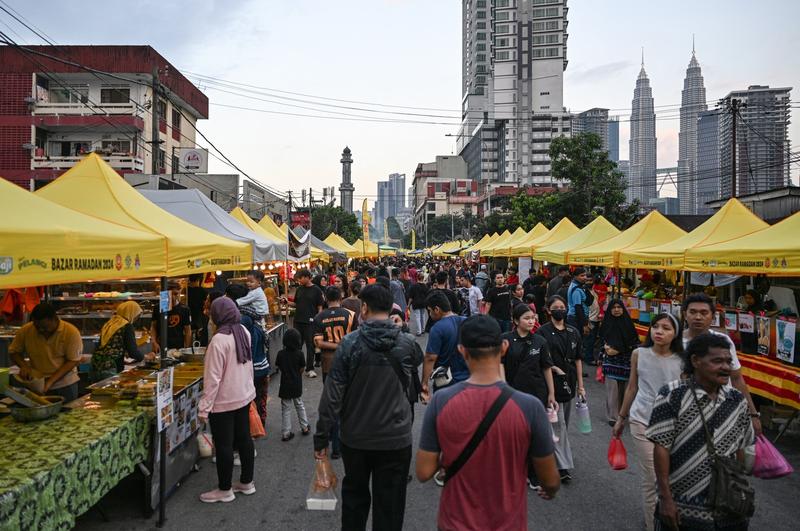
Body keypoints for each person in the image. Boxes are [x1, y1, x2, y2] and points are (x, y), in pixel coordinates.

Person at [416, 314, 559, 530]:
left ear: (461, 350)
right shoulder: (530, 407)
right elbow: (550, 479)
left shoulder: (441, 401)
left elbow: (424, 471)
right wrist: (549, 489)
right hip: (508, 522)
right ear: (503, 347)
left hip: (455, 521)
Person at [314, 284, 423, 531]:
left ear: (364, 308)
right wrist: (402, 327)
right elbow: (417, 358)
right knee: (391, 505)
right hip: (395, 438)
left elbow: (332, 396)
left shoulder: (350, 345)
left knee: (354, 499)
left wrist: (321, 437)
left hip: (356, 438)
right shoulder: (405, 342)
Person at [648, 333, 755, 531]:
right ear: (696, 361)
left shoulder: (737, 400)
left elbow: (740, 450)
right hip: (683, 509)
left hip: (729, 509)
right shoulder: (672, 395)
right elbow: (661, 448)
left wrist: (738, 488)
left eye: (728, 361)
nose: (725, 367)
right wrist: (665, 498)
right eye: (717, 361)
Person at [612, 313, 683, 531]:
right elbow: (632, 387)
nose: (659, 331)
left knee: (672, 475)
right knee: (652, 476)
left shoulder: (682, 360)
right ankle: (653, 524)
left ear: (676, 334)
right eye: (655, 326)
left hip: (673, 424)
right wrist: (621, 418)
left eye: (666, 328)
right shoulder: (638, 354)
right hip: (641, 420)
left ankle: (668, 516)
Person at [198, 297, 256, 503]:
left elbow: (212, 380)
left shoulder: (219, 341)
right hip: (243, 395)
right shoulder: (244, 331)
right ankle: (247, 482)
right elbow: (248, 365)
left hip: (224, 401)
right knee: (244, 438)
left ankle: (225, 489)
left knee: (223, 445)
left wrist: (204, 409)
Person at [682, 293, 761, 436]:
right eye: (693, 312)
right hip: (687, 415)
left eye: (704, 312)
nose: (698, 317)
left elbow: (736, 379)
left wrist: (752, 414)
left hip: (724, 410)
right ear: (685, 314)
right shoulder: (675, 343)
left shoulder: (723, 340)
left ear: (713, 317)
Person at [535, 295, 584, 482]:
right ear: (548, 310)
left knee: (563, 422)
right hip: (551, 383)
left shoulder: (573, 331)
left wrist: (581, 385)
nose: (560, 310)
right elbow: (540, 361)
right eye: (556, 307)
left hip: (569, 381)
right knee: (559, 425)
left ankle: (547, 454)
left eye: (562, 307)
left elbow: (578, 358)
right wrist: (553, 369)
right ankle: (561, 465)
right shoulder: (542, 332)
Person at [312, 286, 355, 458]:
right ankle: (346, 441)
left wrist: (334, 346)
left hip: (328, 364)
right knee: (348, 402)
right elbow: (356, 337)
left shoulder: (319, 317)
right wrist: (342, 345)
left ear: (325, 298)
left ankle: (335, 445)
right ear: (341, 296)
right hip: (349, 363)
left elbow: (318, 343)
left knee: (332, 404)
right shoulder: (350, 315)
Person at [9, 303, 82, 402]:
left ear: (54, 319)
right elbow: (14, 351)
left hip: (64, 385)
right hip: (36, 384)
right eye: (37, 327)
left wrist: (49, 382)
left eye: (45, 327)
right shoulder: (26, 330)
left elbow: (73, 361)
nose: (41, 330)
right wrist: (23, 366)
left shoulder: (71, 332)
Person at [226, 283, 271, 428]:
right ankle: (259, 424)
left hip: (254, 367)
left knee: (252, 400)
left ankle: (254, 427)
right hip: (261, 365)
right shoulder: (255, 315)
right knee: (259, 397)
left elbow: (247, 348)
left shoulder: (243, 319)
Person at [422, 291, 468, 407]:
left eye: (429, 310)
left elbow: (430, 358)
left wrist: (424, 383)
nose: (430, 314)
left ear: (436, 309)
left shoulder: (437, 328)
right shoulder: (467, 321)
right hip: (469, 378)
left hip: (445, 381)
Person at [599, 299, 639, 425]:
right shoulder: (606, 323)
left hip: (625, 362)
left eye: (619, 307)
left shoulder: (628, 324)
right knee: (613, 390)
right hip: (610, 362)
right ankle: (612, 416)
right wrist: (606, 348)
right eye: (614, 307)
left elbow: (634, 342)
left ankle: (622, 412)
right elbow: (602, 339)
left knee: (623, 389)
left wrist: (619, 349)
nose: (616, 310)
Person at [90, 301, 145, 382]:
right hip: (111, 367)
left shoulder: (110, 323)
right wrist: (145, 357)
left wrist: (123, 350)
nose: (136, 318)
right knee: (111, 393)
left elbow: (111, 343)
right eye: (137, 315)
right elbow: (133, 352)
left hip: (96, 365)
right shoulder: (127, 326)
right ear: (131, 312)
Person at [286, 269, 324, 378]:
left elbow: (320, 306)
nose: (299, 280)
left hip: (310, 322)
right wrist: (286, 302)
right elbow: (296, 304)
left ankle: (310, 368)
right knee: (297, 345)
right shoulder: (299, 289)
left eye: (300, 278)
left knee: (310, 346)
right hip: (298, 321)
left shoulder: (316, 290)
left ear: (307, 277)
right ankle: (297, 366)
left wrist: (318, 319)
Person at [276, 328, 311, 442]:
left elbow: (279, 367)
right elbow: (302, 368)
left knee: (286, 408)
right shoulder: (300, 354)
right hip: (296, 383)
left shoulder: (280, 354)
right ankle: (305, 427)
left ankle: (286, 433)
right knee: (299, 405)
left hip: (285, 384)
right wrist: (296, 374)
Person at [151, 280, 191, 353]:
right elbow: (153, 326)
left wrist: (186, 349)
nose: (173, 297)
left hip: (178, 348)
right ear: (165, 294)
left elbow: (187, 330)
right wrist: (153, 342)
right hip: (160, 347)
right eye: (170, 294)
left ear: (179, 293)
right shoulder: (158, 308)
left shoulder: (184, 309)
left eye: (176, 294)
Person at [566, 267, 591, 338]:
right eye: (582, 276)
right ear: (575, 276)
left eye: (585, 275)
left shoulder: (579, 286)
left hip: (577, 318)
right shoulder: (576, 289)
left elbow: (589, 301)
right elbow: (578, 307)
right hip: (576, 318)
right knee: (577, 341)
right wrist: (584, 324)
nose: (585, 277)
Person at [187, 274, 208, 345]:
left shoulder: (186, 290)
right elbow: (206, 304)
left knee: (188, 332)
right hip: (199, 316)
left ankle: (188, 347)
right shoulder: (202, 291)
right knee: (199, 335)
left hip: (188, 315)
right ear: (198, 280)